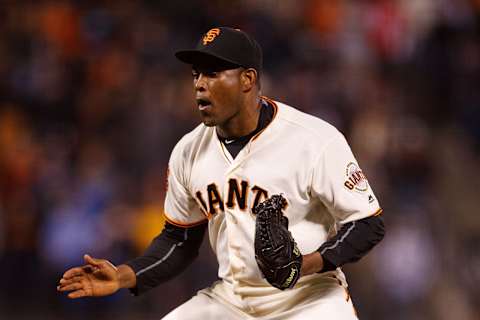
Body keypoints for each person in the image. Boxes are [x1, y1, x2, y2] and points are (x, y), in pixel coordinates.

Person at [58, 27, 385, 319]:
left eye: (214, 73)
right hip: (233, 301)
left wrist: (304, 264)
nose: (200, 84)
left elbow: (367, 223)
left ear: (248, 80)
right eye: (196, 74)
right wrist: (123, 276)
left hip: (309, 299)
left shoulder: (314, 140)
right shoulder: (188, 152)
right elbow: (180, 241)